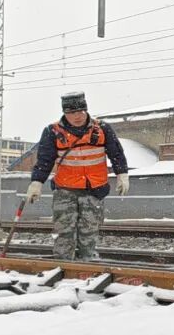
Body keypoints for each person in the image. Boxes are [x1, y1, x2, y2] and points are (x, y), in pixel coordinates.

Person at [26, 91, 129, 260]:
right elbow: (44, 160)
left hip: (94, 189)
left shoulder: (102, 129)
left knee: (89, 231)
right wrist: (36, 182)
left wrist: (122, 174)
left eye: (81, 111)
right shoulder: (52, 131)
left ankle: (86, 267)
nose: (77, 116)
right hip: (65, 190)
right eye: (72, 113)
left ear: (86, 110)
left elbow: (116, 153)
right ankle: (64, 266)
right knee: (64, 232)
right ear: (65, 113)